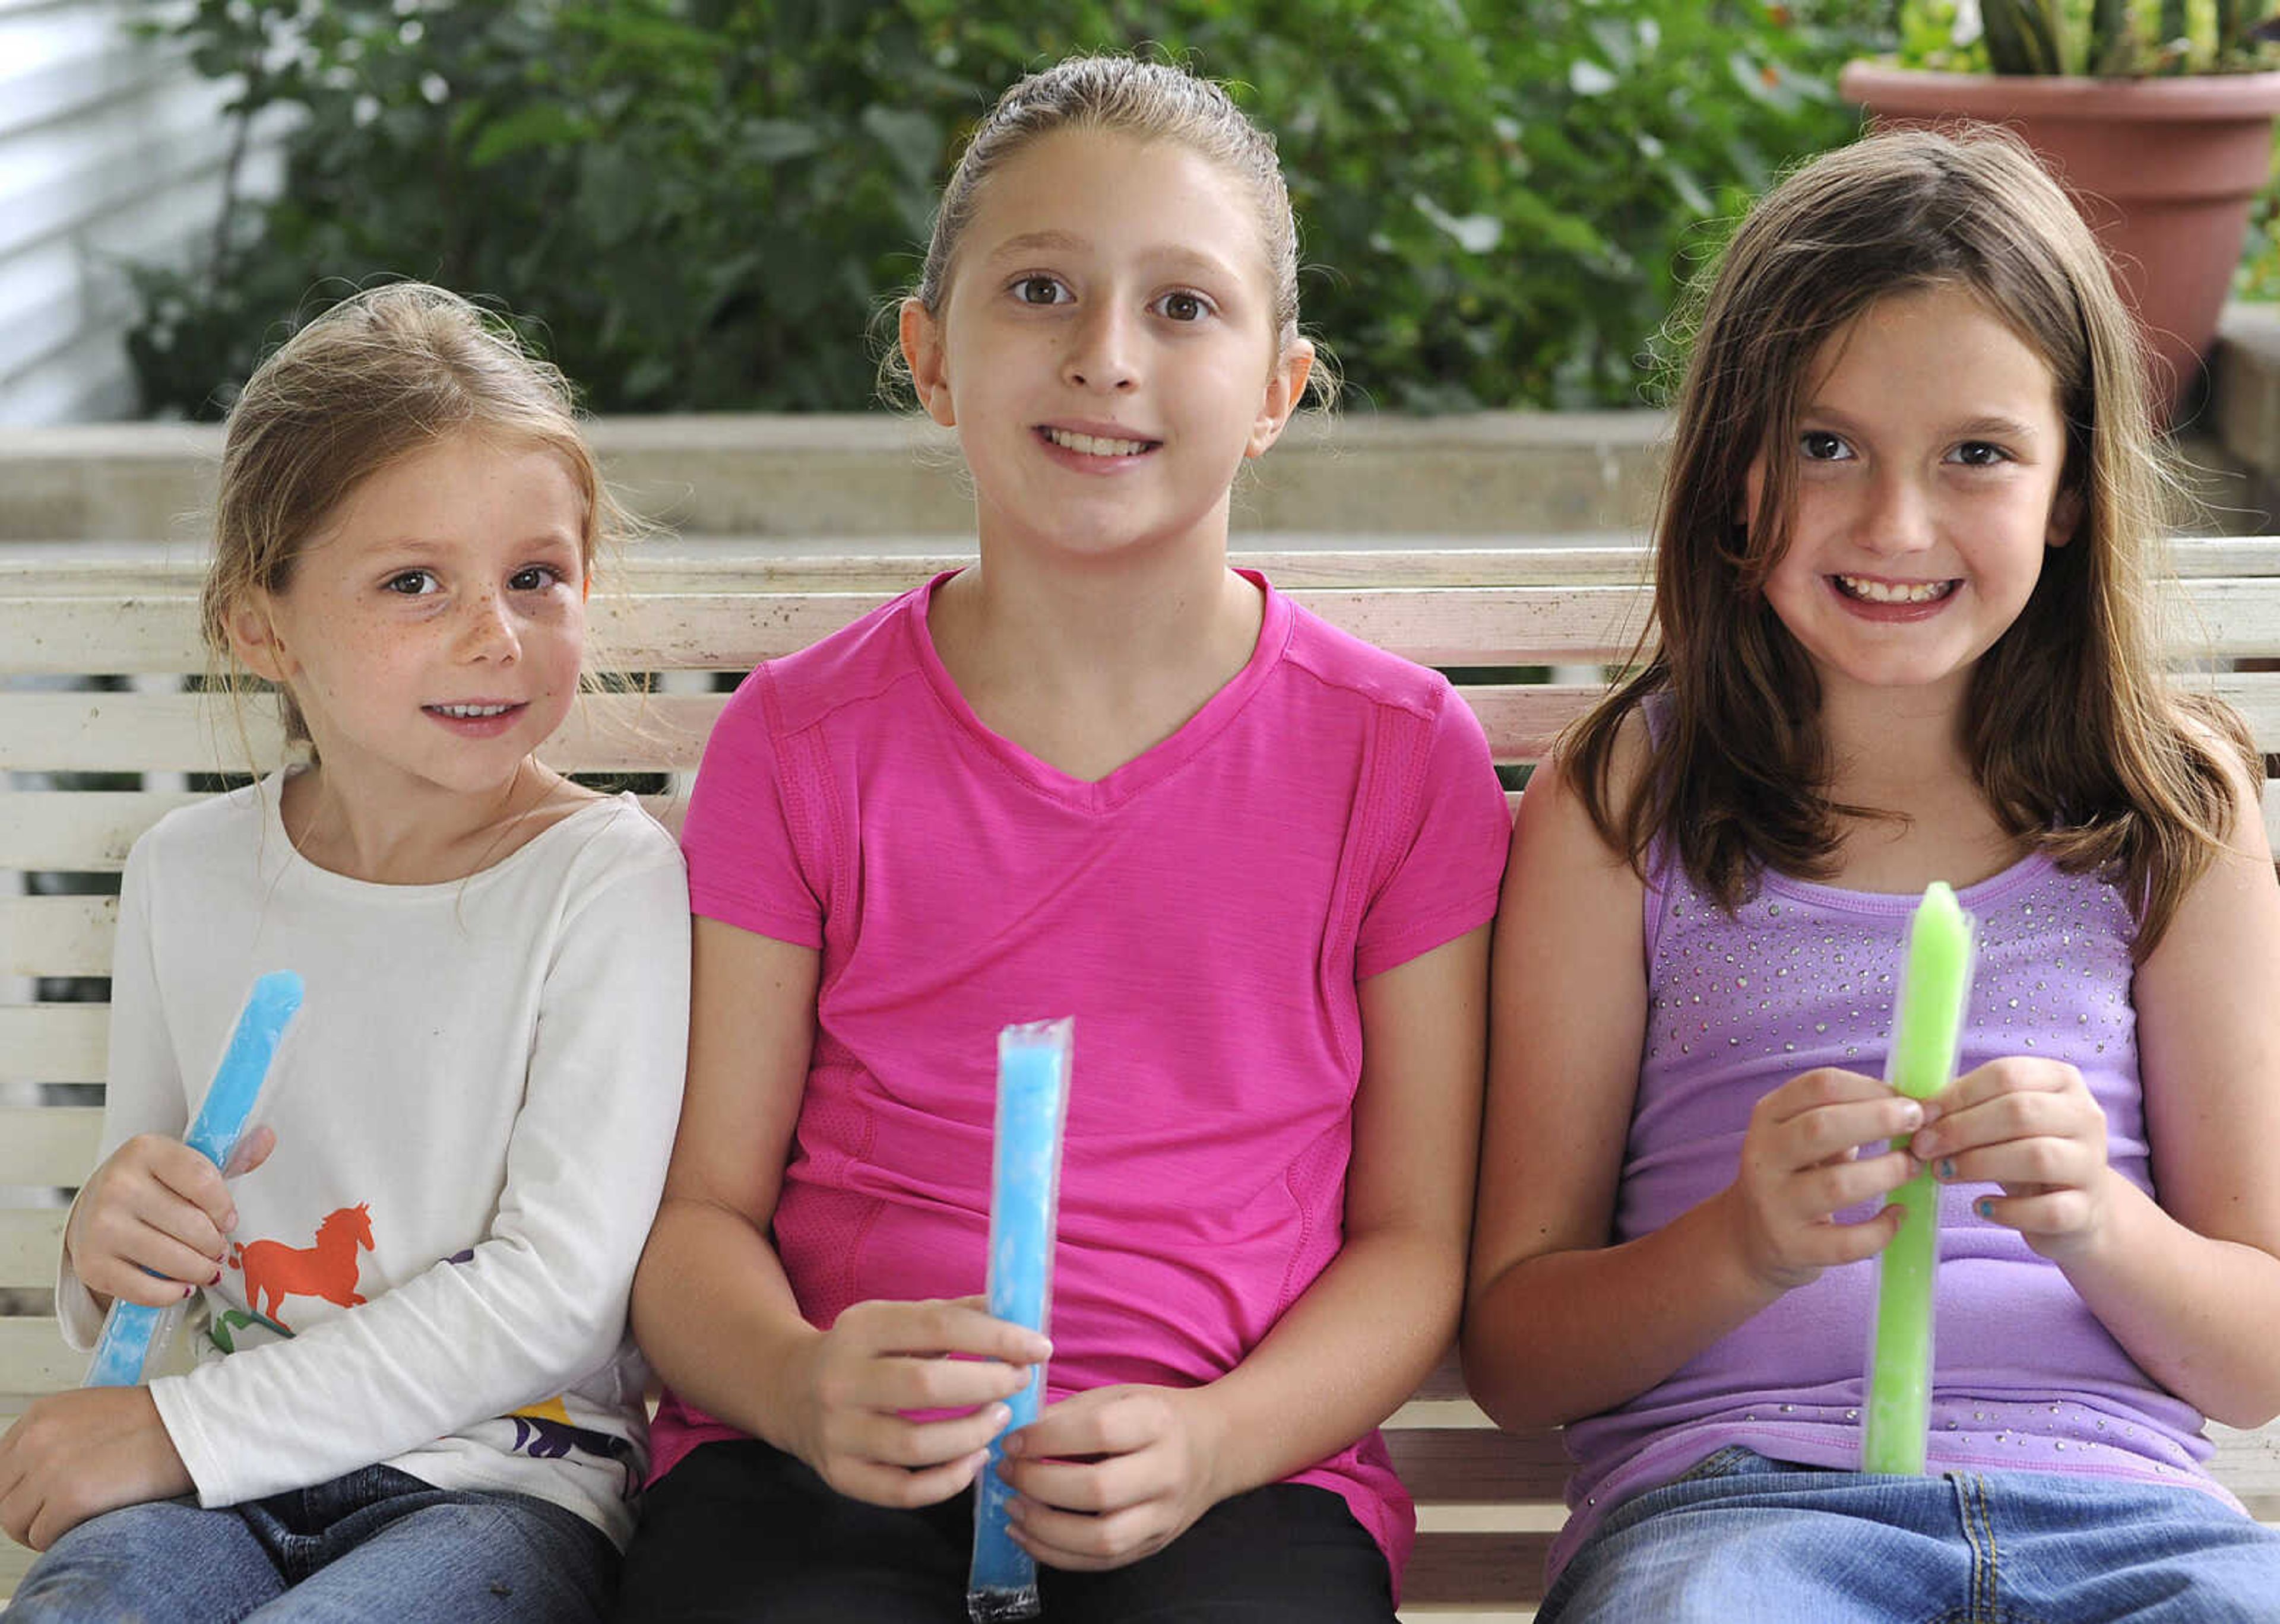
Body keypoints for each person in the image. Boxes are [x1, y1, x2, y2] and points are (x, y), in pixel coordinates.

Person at [615, 52, 1511, 1624]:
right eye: (1040, 288)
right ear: (931, 353)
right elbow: (701, 1223)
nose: (1106, 357)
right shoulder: (799, 741)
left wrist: (1220, 1438)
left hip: (1237, 1482)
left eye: (1183, 307)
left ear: (1278, 393)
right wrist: (803, 1380)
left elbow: (1413, 1244)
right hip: (814, 1465)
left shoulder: (1394, 756)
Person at [1462, 127, 2280, 1623]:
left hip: (2127, 1518)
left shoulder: (2172, 808)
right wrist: (1739, 1247)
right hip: (1737, 1515)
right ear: (1732, 473)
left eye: (1977, 453)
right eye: (1825, 444)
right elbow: (1517, 1353)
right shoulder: (1631, 798)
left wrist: (2102, 1221)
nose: (1895, 524)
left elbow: (2259, 1352)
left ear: (2074, 486)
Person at [0, 283, 690, 1622]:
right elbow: (142, 1218)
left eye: (536, 577)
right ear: (262, 627)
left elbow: (555, 1301)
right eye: (413, 583)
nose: (495, 631)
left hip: (500, 1488)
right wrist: (105, 1238)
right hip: (215, 1486)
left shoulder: (601, 881)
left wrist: (186, 1432)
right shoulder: (187, 875)